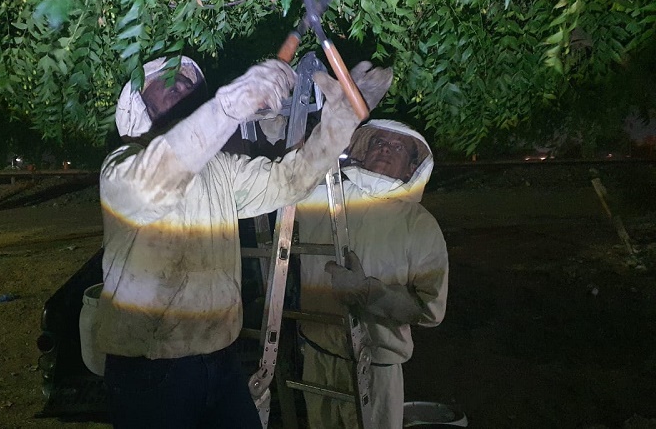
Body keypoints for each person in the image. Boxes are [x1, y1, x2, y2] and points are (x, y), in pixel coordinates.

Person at [95, 55, 394, 429]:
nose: (182, 84)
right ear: (137, 104)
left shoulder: (219, 169)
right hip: (150, 370)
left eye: (188, 81)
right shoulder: (121, 168)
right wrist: (228, 106)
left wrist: (341, 121)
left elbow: (290, 181)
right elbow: (161, 173)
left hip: (220, 359)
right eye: (168, 81)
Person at [295, 120, 449, 429]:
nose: (385, 149)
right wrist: (276, 132)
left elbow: (430, 310)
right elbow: (281, 185)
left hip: (375, 367)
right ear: (363, 152)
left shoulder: (419, 224)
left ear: (411, 167)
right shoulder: (322, 196)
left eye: (397, 147)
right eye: (379, 142)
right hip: (316, 357)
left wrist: (370, 293)